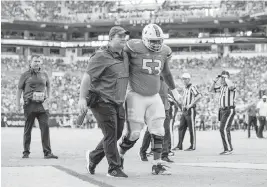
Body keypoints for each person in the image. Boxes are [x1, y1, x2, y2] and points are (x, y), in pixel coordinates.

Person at [117, 23, 180, 175]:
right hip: (135, 95)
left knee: (159, 130)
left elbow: (166, 73)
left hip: (154, 96)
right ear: (144, 39)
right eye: (153, 40)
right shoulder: (133, 47)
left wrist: (175, 92)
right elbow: (120, 61)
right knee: (134, 134)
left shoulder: (165, 51)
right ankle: (119, 155)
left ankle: (157, 165)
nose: (156, 44)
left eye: (159, 40)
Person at [79, 26, 130, 178]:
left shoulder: (125, 55)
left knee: (117, 134)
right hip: (102, 100)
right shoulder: (100, 56)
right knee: (110, 134)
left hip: (118, 101)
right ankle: (114, 168)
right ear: (110, 38)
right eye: (119, 36)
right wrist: (82, 98)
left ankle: (93, 158)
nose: (123, 38)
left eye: (124, 36)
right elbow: (87, 77)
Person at [16, 55, 58, 159]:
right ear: (30, 63)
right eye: (35, 61)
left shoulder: (44, 74)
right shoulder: (25, 75)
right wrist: (17, 103)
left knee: (45, 128)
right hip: (29, 104)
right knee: (28, 129)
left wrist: (49, 96)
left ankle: (47, 153)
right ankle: (26, 152)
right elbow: (19, 90)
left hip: (42, 105)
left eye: (39, 61)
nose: (37, 63)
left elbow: (49, 85)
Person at [139, 77, 176, 163]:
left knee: (166, 131)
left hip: (165, 110)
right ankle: (143, 151)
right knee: (149, 132)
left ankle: (164, 155)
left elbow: (170, 95)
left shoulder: (167, 83)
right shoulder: (152, 82)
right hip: (154, 110)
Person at [209, 70, 236, 155]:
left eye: (223, 78)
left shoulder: (231, 85)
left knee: (223, 129)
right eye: (222, 78)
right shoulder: (221, 87)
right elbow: (211, 90)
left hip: (229, 109)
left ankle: (228, 149)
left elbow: (231, 87)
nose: (222, 79)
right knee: (224, 129)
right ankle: (227, 147)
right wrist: (215, 80)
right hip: (222, 110)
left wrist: (226, 78)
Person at [174, 73, 202, 151]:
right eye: (183, 79)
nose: (184, 80)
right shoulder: (185, 88)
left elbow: (199, 96)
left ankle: (192, 146)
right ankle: (179, 145)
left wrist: (190, 105)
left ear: (189, 79)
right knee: (181, 128)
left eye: (185, 79)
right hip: (185, 110)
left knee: (191, 128)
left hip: (190, 109)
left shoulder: (192, 87)